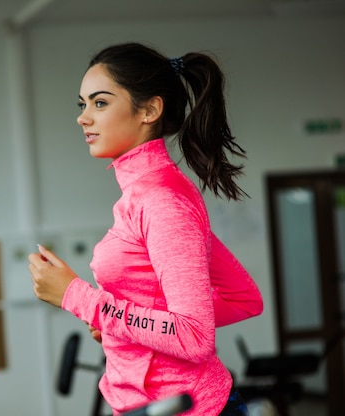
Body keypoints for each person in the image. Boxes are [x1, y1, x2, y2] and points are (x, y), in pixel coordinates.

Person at [28, 42, 263, 415]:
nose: (83, 117)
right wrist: (128, 324)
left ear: (150, 110)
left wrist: (80, 298)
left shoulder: (162, 201)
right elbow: (242, 298)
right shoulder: (150, 195)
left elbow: (194, 336)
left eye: (100, 103)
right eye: (82, 104)